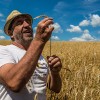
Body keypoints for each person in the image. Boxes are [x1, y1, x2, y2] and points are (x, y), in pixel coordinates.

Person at [0, 10, 62, 100]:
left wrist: (55, 73)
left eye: (28, 22)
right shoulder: (3, 50)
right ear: (10, 33)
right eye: (19, 23)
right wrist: (39, 41)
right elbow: (14, 83)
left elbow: (55, 89)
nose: (27, 25)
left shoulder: (40, 58)